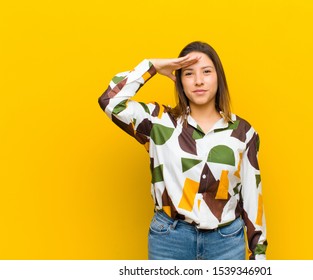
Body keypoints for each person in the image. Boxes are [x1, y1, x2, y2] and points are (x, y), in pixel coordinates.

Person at [98, 41, 267, 260]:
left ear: (219, 78)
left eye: (206, 72)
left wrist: (259, 254)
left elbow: (253, 196)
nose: (199, 81)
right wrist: (152, 67)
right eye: (189, 73)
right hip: (169, 241)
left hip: (226, 243)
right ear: (179, 81)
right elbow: (109, 101)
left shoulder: (244, 133)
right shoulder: (159, 123)